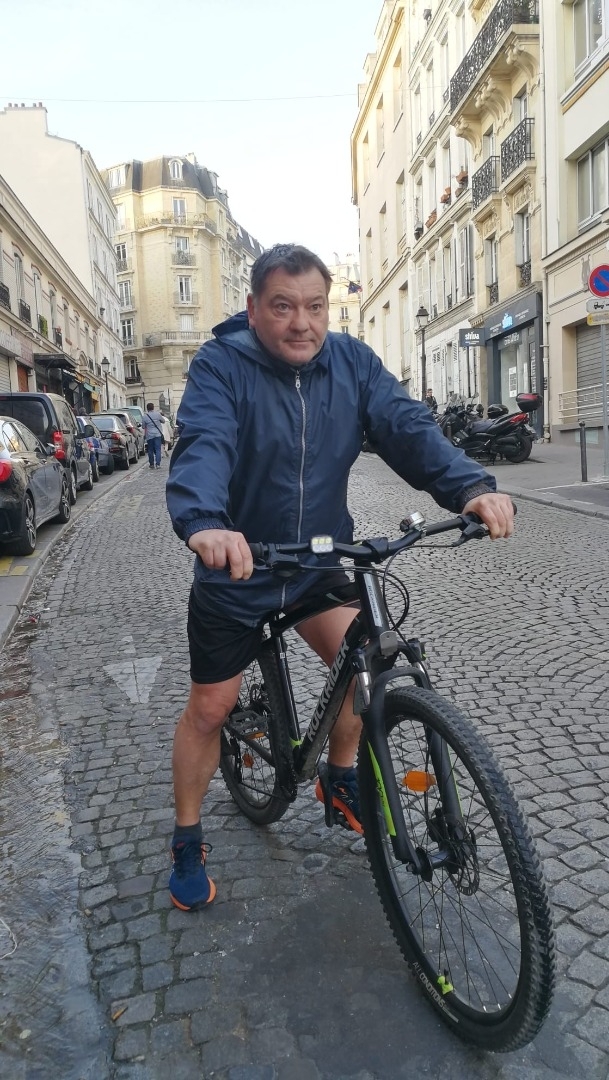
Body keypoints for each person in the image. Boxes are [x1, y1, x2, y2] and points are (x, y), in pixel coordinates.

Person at [165, 243, 514, 911]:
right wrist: (206, 523)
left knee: (366, 667)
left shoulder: (351, 362)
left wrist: (469, 485)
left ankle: (340, 774)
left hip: (317, 559)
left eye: (315, 307)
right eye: (283, 307)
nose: (301, 322)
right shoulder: (221, 366)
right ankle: (186, 836)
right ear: (254, 309)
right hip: (238, 565)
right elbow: (205, 441)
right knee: (210, 708)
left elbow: (406, 426)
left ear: (328, 308)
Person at [142, 402, 165, 469]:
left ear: (147, 408)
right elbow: (163, 421)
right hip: (157, 434)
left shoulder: (145, 416)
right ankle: (158, 464)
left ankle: (151, 464)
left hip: (149, 435)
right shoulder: (158, 414)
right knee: (158, 449)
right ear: (153, 407)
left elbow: (143, 426)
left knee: (150, 450)